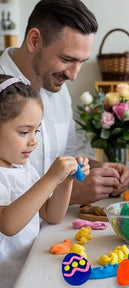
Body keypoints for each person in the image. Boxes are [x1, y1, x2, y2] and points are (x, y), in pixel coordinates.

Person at [0, 0, 129, 205]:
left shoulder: (58, 90)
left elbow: (66, 156)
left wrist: (99, 169)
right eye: (67, 59)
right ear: (34, 40)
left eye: (81, 61)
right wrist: (67, 194)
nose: (74, 75)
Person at [0, 75, 90, 288]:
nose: (34, 141)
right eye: (24, 131)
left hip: (30, 272)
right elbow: (8, 224)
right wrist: (50, 178)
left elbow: (52, 215)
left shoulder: (22, 168)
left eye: (36, 130)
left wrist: (65, 180)